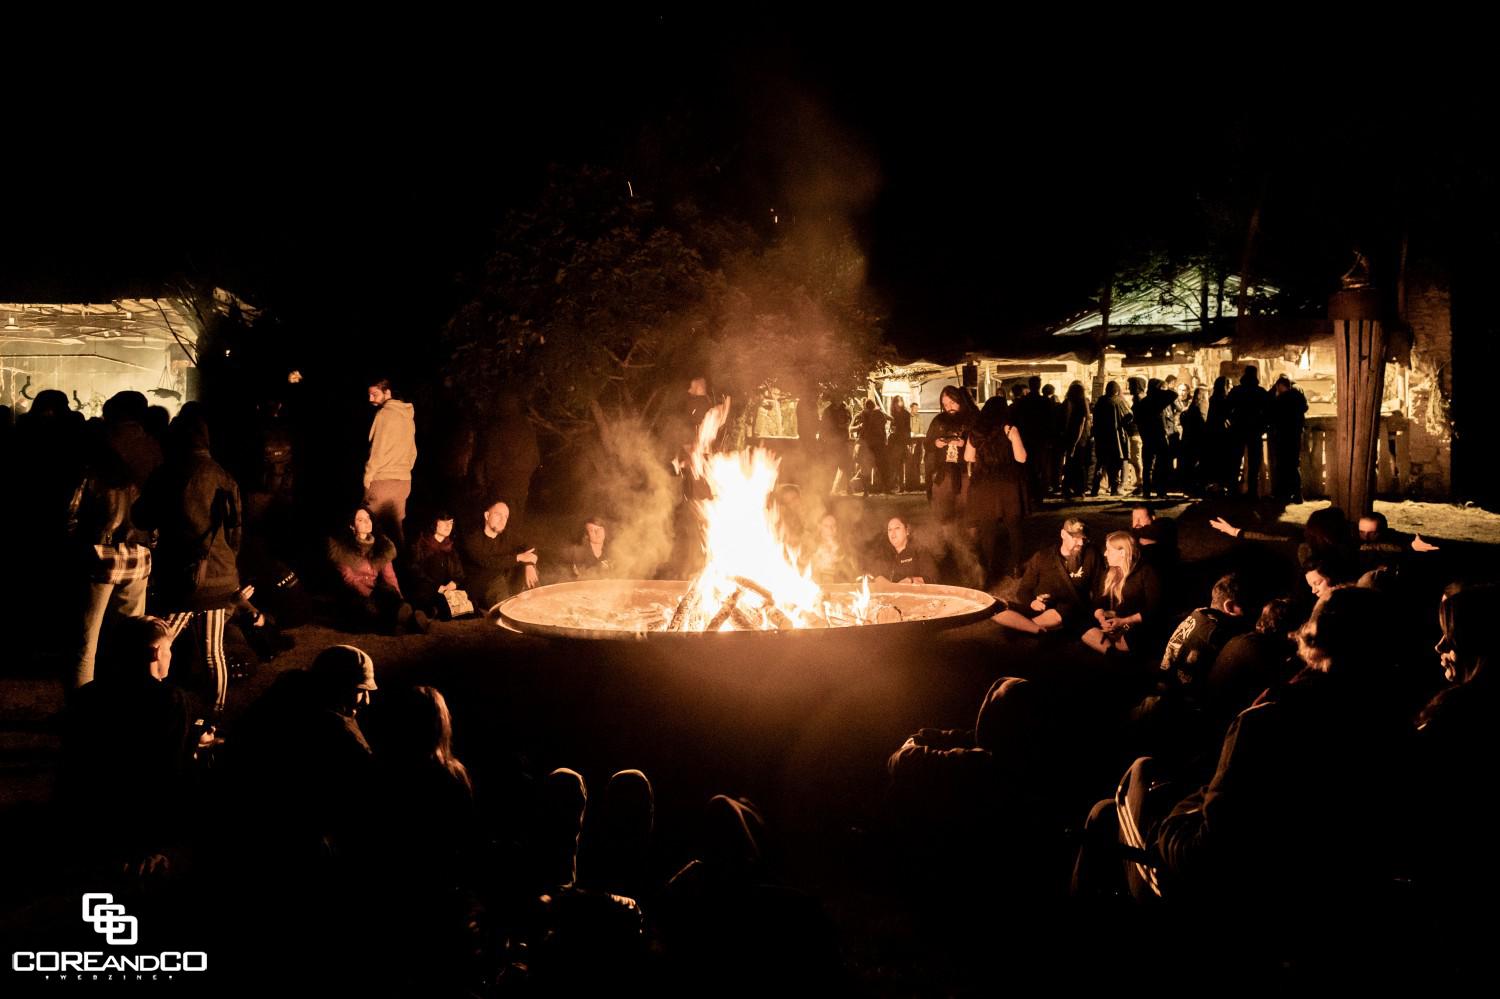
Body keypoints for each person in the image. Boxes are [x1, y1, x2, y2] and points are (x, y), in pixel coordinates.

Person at [1151, 588, 1415, 910]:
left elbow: (1206, 853)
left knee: (1118, 802)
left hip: (1246, 897)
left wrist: (1171, 822)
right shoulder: (1397, 722)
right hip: (1338, 895)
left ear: (1312, 635)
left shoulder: (1268, 718)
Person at [60, 615, 195, 869]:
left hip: (90, 817)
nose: (170, 656)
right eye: (169, 650)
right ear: (156, 653)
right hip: (136, 818)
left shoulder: (88, 695)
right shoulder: (170, 700)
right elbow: (170, 770)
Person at [134, 411, 242, 718]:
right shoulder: (223, 474)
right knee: (213, 651)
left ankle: (145, 704)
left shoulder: (168, 472)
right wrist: (229, 565)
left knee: (159, 639)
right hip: (219, 575)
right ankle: (215, 714)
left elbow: (141, 516)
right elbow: (236, 530)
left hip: (182, 574)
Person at [328, 506, 428, 633]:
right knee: (368, 610)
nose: (367, 522)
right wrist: (371, 595)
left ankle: (409, 620)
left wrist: (399, 597)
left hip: (376, 590)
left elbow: (389, 576)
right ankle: (394, 626)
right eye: (360, 520)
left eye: (368, 518)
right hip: (354, 592)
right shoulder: (342, 548)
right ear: (351, 526)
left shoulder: (382, 544)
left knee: (388, 596)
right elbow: (349, 579)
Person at [962, 396, 1028, 587]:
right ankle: (1016, 566)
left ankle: (988, 570)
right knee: (1013, 528)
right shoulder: (1009, 430)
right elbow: (1021, 458)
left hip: (984, 486)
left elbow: (968, 456)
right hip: (1008, 486)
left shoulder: (975, 432)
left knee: (987, 530)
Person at [993, 519, 1100, 635]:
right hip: (1040, 609)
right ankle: (1031, 627)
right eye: (1075, 538)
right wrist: (1033, 602)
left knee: (1066, 610)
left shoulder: (1091, 555)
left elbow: (1099, 589)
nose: (1081, 543)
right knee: (995, 605)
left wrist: (1098, 612)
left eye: (1083, 538)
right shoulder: (1042, 557)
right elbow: (1023, 590)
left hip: (1069, 611)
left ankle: (1021, 628)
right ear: (1063, 534)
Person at [1081, 531, 1162, 656]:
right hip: (1115, 619)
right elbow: (1099, 601)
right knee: (1082, 622)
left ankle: (1112, 649)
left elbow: (1154, 609)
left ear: (1122, 552)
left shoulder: (1145, 572)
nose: (1105, 553)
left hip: (1135, 622)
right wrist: (1101, 618)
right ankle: (1113, 653)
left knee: (1135, 636)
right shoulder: (1110, 572)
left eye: (1109, 550)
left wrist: (1124, 621)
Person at [364, 377, 417, 545]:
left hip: (382, 482)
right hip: (403, 482)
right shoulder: (407, 416)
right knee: (395, 529)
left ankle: (372, 570)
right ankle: (403, 566)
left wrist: (368, 477)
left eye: (374, 394)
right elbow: (413, 452)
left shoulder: (384, 414)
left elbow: (377, 450)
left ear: (388, 392)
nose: (370, 399)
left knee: (368, 528)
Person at [459, 499, 539, 610]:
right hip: (470, 586)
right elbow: (487, 561)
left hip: (494, 583)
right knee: (455, 618)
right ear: (487, 515)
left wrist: (529, 565)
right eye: (498, 514)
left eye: (506, 516)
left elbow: (530, 546)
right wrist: (519, 557)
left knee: (505, 612)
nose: (502, 520)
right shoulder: (472, 537)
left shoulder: (507, 536)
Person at [476, 391, 540, 519]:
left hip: (501, 486)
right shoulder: (527, 427)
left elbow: (491, 459)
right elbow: (536, 459)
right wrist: (525, 476)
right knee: (514, 522)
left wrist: (489, 481)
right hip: (520, 486)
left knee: (498, 524)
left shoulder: (498, 428)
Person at [926, 386, 979, 524]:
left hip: (965, 472)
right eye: (945, 404)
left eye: (952, 403)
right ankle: (947, 542)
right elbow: (927, 443)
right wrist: (935, 443)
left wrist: (965, 443)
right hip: (944, 473)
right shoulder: (939, 420)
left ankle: (970, 544)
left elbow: (980, 442)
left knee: (968, 513)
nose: (949, 407)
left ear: (959, 401)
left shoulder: (970, 420)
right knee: (944, 514)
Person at [407, 512, 469, 619]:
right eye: (444, 522)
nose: (448, 526)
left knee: (468, 610)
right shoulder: (420, 545)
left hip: (446, 591)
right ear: (434, 523)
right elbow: (415, 572)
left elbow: (459, 572)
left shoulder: (450, 547)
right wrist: (436, 587)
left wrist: (454, 583)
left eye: (451, 522)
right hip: (427, 591)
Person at [1226, 365, 1269, 496]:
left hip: (1238, 429)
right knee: (1254, 462)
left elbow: (1227, 408)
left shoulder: (1236, 391)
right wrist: (1263, 426)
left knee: (1235, 460)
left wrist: (1232, 421)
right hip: (1254, 430)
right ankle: (1252, 491)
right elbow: (1268, 412)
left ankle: (1233, 490)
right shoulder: (1261, 392)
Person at [1268, 374, 1309, 503]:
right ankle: (1297, 495)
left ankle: (1285, 494)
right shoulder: (1298, 397)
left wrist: (1273, 391)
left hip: (1283, 436)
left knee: (1283, 466)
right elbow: (1305, 408)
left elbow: (1271, 411)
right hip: (1295, 435)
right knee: (1294, 464)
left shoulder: (1281, 400)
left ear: (1280, 386)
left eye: (1278, 386)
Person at [1089, 381, 1134, 496]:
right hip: (1116, 438)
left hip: (1102, 437)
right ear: (1117, 390)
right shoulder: (1119, 401)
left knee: (1101, 463)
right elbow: (1129, 416)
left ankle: (1095, 488)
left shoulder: (1100, 401)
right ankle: (1115, 488)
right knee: (1115, 464)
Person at [871, 516, 940, 585]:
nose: (893, 533)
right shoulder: (886, 556)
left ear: (907, 531)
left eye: (897, 528)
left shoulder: (920, 551)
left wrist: (911, 580)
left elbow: (932, 578)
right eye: (890, 530)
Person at [1058, 381, 1092, 499]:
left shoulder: (1073, 404)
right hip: (1081, 440)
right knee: (1079, 465)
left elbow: (1078, 425)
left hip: (1074, 439)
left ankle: (1069, 488)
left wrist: (1073, 443)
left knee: (1071, 464)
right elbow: (1083, 424)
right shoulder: (1083, 404)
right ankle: (1079, 489)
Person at [808, 513, 860, 586]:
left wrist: (841, 564)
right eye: (826, 526)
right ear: (819, 527)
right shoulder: (812, 547)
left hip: (841, 589)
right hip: (818, 588)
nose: (831, 529)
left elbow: (853, 573)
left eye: (833, 526)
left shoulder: (845, 548)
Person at [851, 399, 889, 494]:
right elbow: (851, 429)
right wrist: (859, 427)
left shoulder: (877, 415)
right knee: (871, 467)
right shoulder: (862, 415)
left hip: (873, 444)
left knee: (872, 467)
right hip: (870, 444)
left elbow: (883, 426)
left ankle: (871, 490)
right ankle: (873, 490)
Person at [888, 397, 914, 492]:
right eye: (898, 401)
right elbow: (894, 428)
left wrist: (908, 441)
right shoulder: (895, 414)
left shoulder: (904, 414)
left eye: (900, 401)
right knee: (898, 464)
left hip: (902, 440)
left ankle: (904, 485)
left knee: (903, 463)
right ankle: (901, 485)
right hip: (897, 440)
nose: (899, 403)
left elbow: (907, 428)